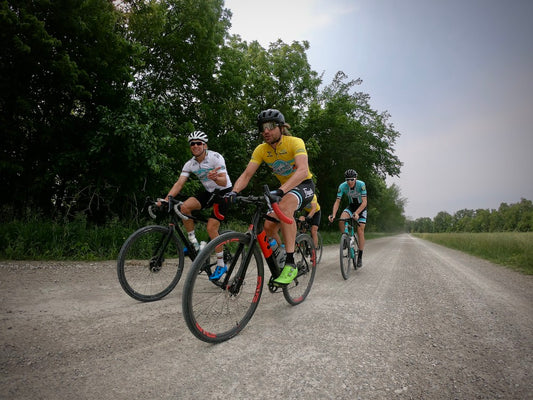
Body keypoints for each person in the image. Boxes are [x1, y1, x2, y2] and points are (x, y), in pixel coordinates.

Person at [225, 109, 315, 285]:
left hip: (303, 185)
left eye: (271, 126)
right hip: (284, 189)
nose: (266, 131)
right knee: (268, 227)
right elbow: (246, 175)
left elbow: (303, 170)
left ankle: (290, 263)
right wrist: (234, 192)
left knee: (286, 205)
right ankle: (281, 254)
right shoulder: (261, 150)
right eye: (262, 127)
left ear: (281, 127)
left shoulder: (295, 142)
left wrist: (280, 192)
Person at [161, 131, 232, 279]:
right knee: (184, 207)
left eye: (198, 143)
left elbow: (224, 182)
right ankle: (194, 244)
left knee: (212, 227)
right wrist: (167, 199)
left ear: (205, 145)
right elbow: (179, 183)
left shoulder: (215, 157)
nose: (195, 146)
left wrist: (215, 178)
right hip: (209, 192)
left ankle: (221, 264)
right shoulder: (190, 164)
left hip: (223, 192)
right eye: (192, 144)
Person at [328, 169, 367, 268]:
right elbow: (337, 202)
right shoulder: (342, 186)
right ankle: (345, 239)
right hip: (351, 206)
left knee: (360, 229)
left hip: (361, 207)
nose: (349, 182)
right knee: (341, 220)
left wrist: (357, 213)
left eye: (352, 179)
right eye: (347, 180)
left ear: (356, 178)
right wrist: (333, 214)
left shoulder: (361, 184)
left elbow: (364, 202)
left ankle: (360, 257)